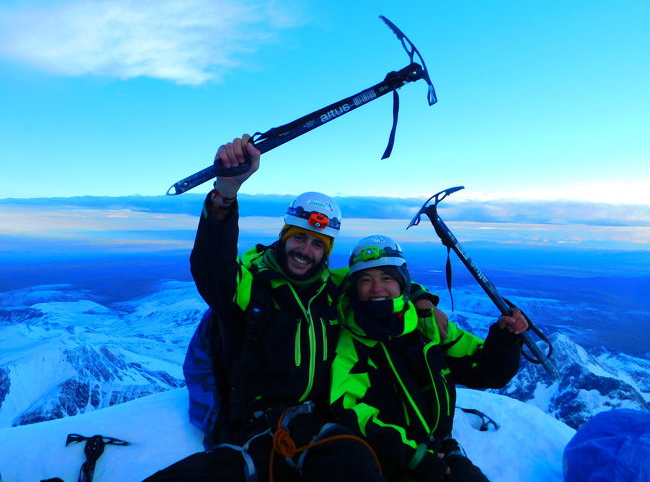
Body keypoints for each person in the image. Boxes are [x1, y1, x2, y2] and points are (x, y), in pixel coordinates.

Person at [144, 135, 384, 482]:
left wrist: (421, 300)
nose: (305, 250)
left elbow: (377, 281)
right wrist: (224, 196)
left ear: (326, 251)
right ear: (284, 236)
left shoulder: (332, 290)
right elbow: (212, 272)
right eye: (298, 237)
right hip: (252, 425)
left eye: (317, 243)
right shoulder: (252, 284)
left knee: (357, 463)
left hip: (314, 421)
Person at [330, 235, 528, 481]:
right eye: (365, 280)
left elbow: (487, 371)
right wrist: (415, 455)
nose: (377, 287)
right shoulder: (350, 343)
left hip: (441, 447)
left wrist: (505, 338)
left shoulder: (427, 326)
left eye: (387, 277)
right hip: (391, 459)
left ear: (402, 283)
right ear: (354, 289)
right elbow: (349, 409)